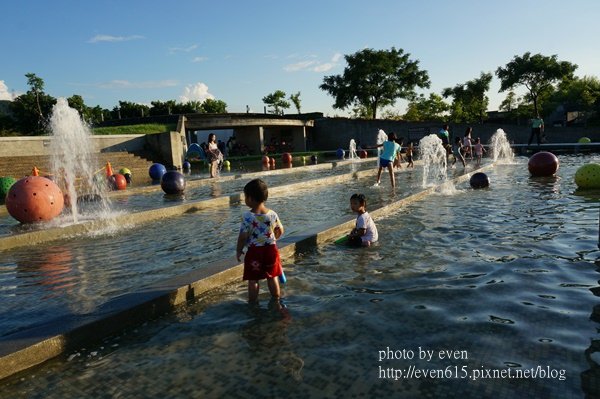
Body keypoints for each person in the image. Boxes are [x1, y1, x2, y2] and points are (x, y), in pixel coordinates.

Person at [236, 179, 284, 303]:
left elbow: (243, 236)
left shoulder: (247, 216)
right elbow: (280, 230)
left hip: (255, 252)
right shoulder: (272, 214)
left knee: (253, 279)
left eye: (245, 197)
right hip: (271, 250)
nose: (245, 199)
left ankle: (252, 303)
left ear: (250, 198)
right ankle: (276, 300)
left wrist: (238, 250)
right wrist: (274, 238)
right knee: (272, 276)